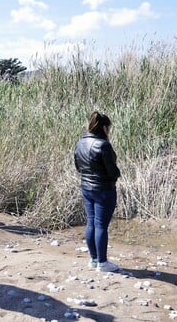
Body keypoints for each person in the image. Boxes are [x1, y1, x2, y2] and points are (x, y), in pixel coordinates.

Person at [74, 111, 121, 272]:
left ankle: (94, 259)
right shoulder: (103, 145)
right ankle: (102, 262)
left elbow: (78, 166)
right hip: (104, 190)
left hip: (86, 188)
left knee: (91, 222)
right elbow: (112, 171)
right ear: (104, 127)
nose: (109, 131)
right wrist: (116, 175)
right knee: (101, 225)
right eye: (109, 128)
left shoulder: (81, 143)